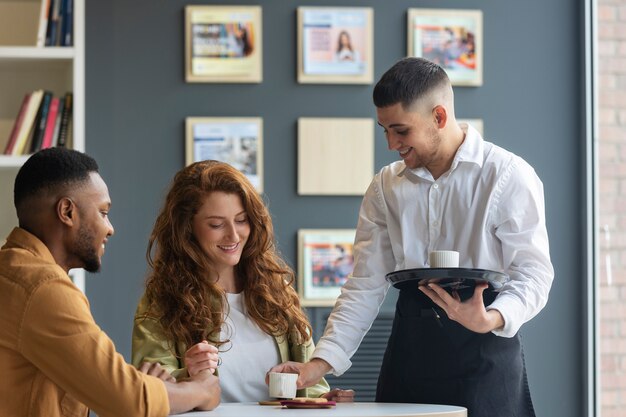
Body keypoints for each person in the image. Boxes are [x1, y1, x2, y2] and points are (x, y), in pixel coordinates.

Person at [270, 57, 554, 417]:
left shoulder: (508, 176)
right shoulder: (386, 186)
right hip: (411, 351)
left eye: (401, 131)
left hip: (486, 350)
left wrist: (492, 318)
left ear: (439, 116)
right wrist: (319, 363)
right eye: (384, 130)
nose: (391, 144)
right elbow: (365, 284)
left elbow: (534, 274)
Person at [0, 147, 220, 417]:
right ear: (67, 211)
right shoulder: (42, 289)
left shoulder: (14, 273)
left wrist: (136, 386)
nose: (110, 228)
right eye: (103, 212)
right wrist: (201, 389)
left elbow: (113, 392)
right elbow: (130, 401)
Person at [131, 160, 353, 403]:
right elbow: (149, 391)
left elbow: (308, 383)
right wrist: (189, 375)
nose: (234, 235)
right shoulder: (162, 302)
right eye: (216, 224)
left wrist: (323, 399)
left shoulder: (277, 291)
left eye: (241, 220)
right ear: (187, 229)